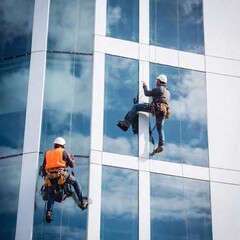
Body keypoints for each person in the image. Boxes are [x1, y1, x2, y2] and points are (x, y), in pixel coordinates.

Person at [117, 74, 171, 154]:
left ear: (160, 81)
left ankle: (126, 123)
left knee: (136, 107)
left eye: (157, 81)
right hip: (163, 111)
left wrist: (144, 86)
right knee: (160, 128)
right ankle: (161, 145)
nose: (156, 82)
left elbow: (146, 93)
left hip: (156, 107)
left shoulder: (160, 89)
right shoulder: (168, 92)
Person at [41, 137, 88, 223]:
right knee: (75, 182)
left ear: (55, 145)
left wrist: (45, 177)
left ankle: (49, 212)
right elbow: (72, 165)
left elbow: (43, 167)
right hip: (61, 175)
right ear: (63, 145)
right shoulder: (64, 151)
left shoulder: (47, 153)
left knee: (51, 194)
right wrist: (72, 159)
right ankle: (82, 200)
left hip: (50, 178)